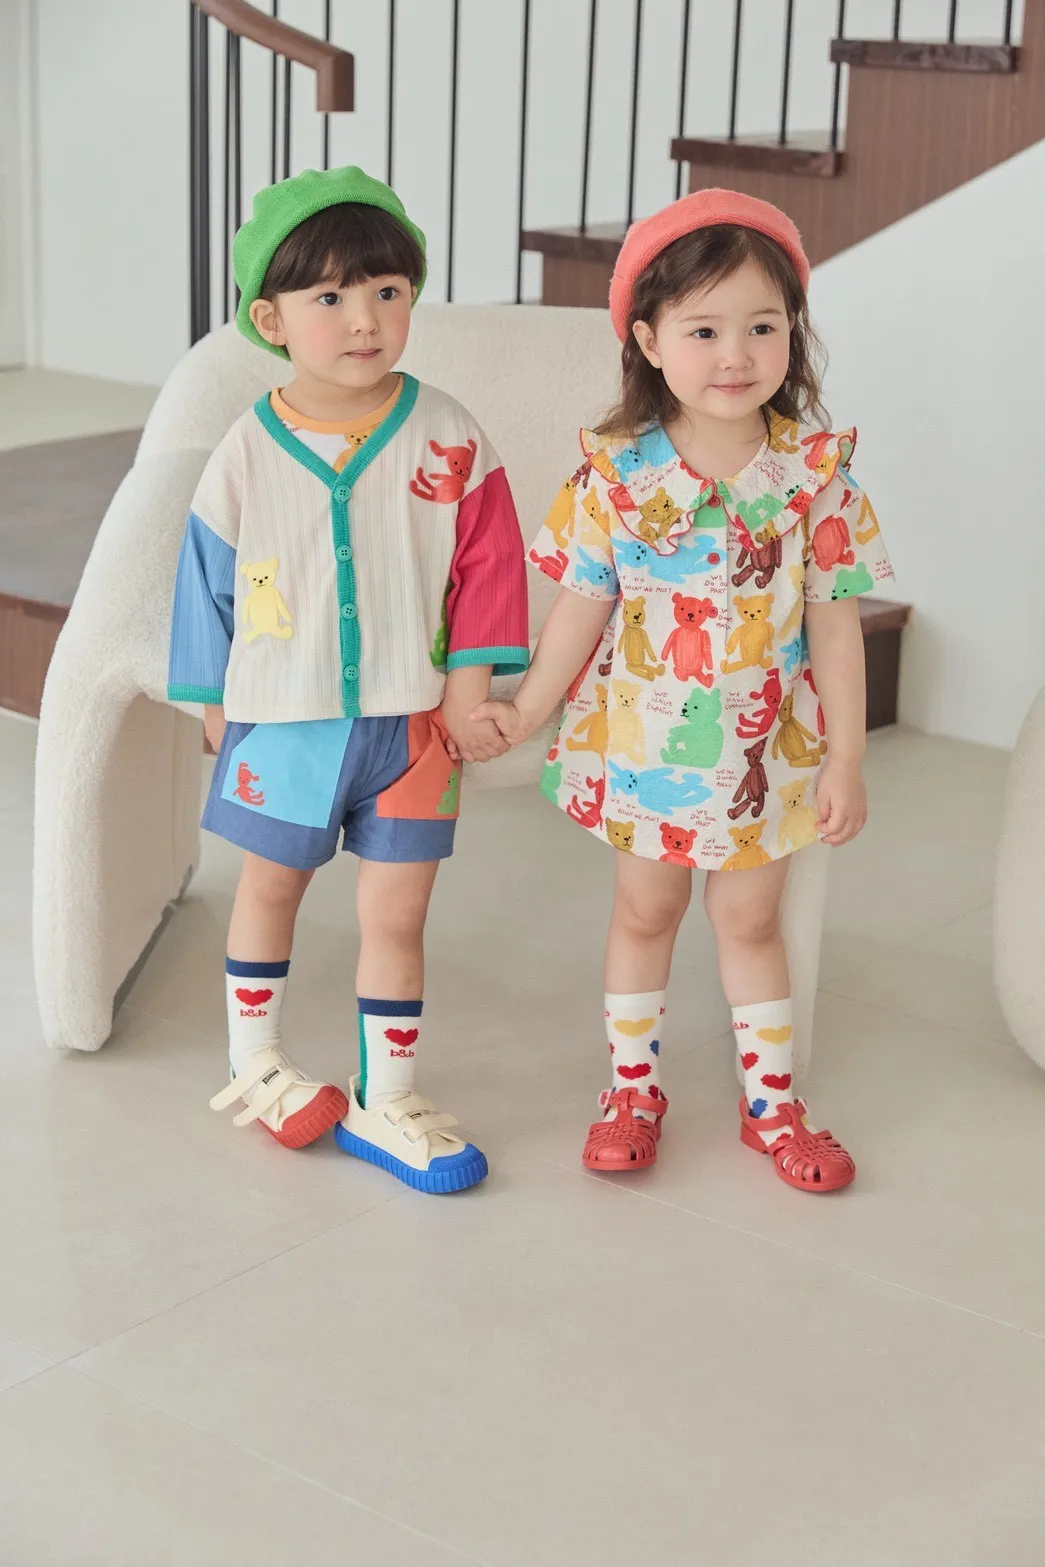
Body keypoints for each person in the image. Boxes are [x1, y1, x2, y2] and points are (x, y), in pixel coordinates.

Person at [473, 188, 893, 1192]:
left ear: (792, 332)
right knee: (645, 912)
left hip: (768, 756)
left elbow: (835, 624)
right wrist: (526, 709)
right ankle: (631, 1089)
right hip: (643, 754)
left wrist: (845, 755)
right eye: (703, 329)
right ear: (649, 340)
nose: (734, 353)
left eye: (762, 326)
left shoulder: (815, 480)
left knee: (749, 922)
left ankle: (771, 1103)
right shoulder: (614, 480)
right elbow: (578, 610)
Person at [167, 165, 529, 1193]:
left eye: (386, 290)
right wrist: (213, 700)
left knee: (399, 914)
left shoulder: (449, 432)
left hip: (411, 729)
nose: (363, 318)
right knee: (269, 887)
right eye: (328, 296)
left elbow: (490, 563)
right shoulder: (247, 447)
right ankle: (255, 1061)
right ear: (270, 319)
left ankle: (387, 1096)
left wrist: (470, 682)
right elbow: (204, 576)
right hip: (283, 721)